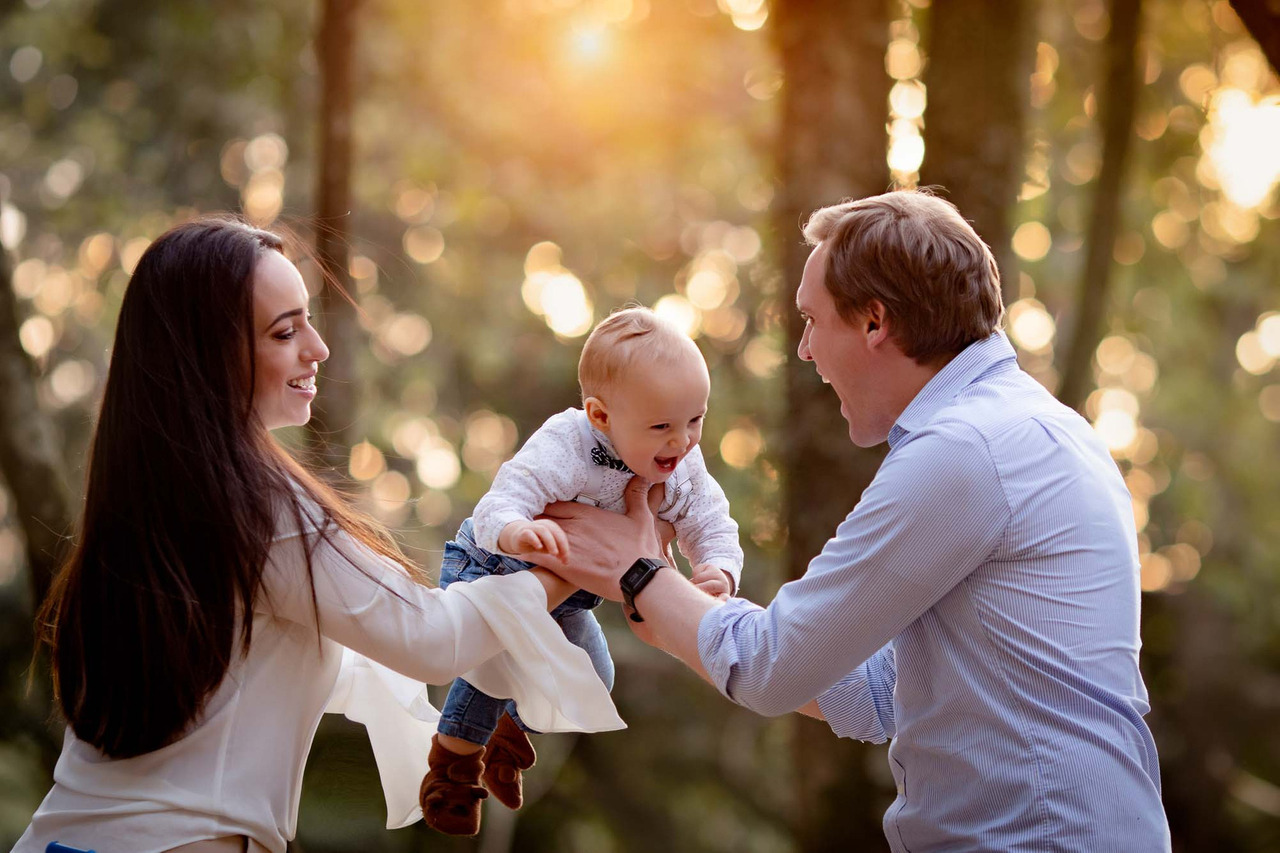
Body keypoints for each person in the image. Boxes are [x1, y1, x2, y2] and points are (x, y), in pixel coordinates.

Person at [533, 191, 1172, 852]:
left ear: (874, 321)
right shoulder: (1036, 429)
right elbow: (878, 694)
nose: (806, 350)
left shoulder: (963, 452)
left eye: (812, 320)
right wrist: (667, 596)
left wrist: (638, 573)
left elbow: (772, 665)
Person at [16, 218, 620, 853]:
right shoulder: (259, 510)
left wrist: (467, 715)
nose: (317, 347)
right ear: (208, 356)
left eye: (306, 319)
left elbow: (339, 657)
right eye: (285, 331)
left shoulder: (158, 502)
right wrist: (571, 563)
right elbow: (428, 637)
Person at [421, 306, 743, 835]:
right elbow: (498, 503)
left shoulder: (683, 462)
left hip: (568, 600)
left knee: (596, 677)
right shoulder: (568, 445)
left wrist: (717, 571)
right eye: (662, 426)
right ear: (600, 416)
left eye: (696, 420)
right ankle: (452, 770)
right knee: (493, 663)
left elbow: (712, 521)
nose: (682, 442)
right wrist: (517, 532)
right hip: (494, 572)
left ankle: (511, 730)